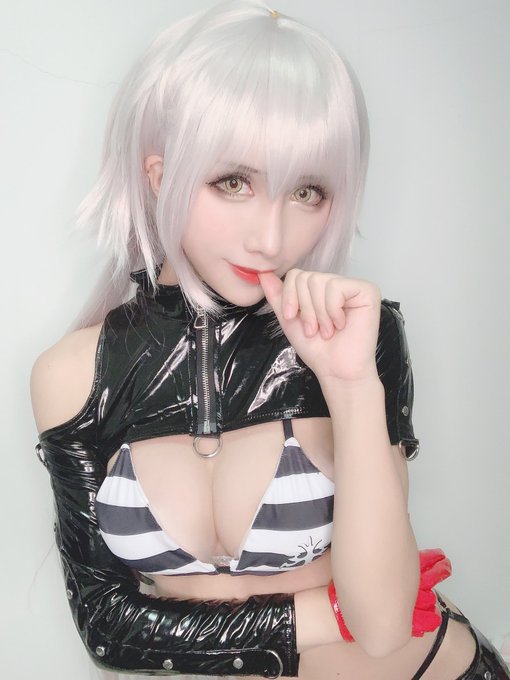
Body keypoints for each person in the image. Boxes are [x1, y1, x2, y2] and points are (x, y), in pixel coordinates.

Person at [30, 1, 509, 678]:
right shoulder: (75, 374)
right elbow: (108, 629)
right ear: (160, 177)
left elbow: (380, 627)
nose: (271, 237)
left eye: (307, 192)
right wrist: (322, 613)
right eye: (234, 182)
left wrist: (349, 384)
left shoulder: (357, 336)